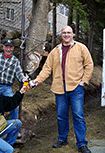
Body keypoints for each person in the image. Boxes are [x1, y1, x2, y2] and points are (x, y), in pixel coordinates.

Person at [33, 25, 93, 153]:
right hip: (59, 88)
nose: (66, 35)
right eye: (64, 33)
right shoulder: (55, 51)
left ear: (73, 34)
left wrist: (83, 81)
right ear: (61, 35)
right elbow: (47, 69)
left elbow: (89, 65)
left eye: (69, 32)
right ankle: (62, 139)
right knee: (61, 116)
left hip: (76, 87)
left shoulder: (81, 48)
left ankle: (82, 143)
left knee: (78, 116)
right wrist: (37, 80)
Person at [0, 39, 26, 121]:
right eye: (6, 47)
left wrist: (23, 79)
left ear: (13, 48)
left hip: (7, 88)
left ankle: (14, 124)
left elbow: (19, 73)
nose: (8, 49)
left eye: (10, 47)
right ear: (3, 47)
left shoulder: (15, 61)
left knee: (14, 106)